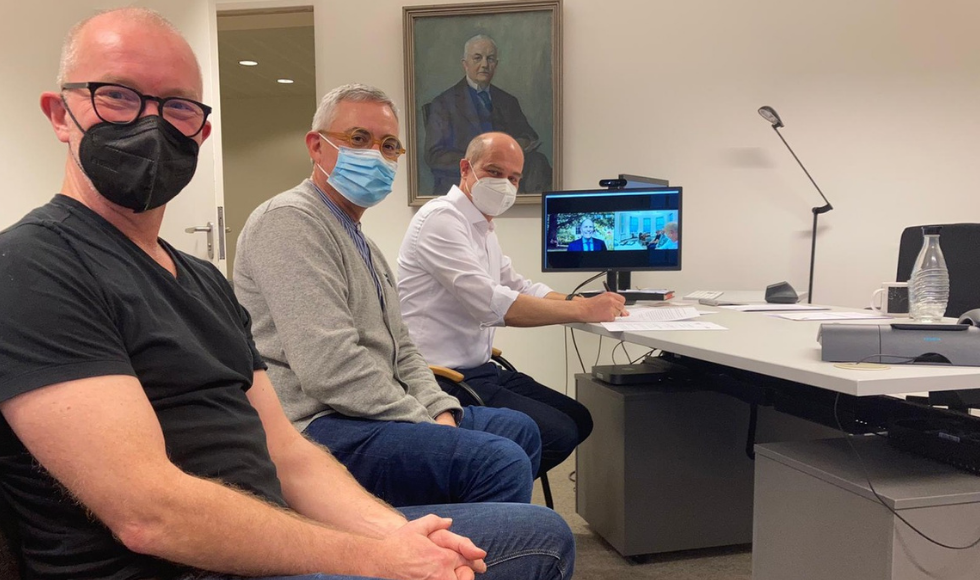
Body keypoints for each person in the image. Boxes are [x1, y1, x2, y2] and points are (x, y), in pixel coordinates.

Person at [0, 10, 574, 580]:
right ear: (61, 114)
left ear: (200, 131)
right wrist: (373, 556)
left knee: (539, 534)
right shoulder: (33, 266)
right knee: (512, 497)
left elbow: (289, 455)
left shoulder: (201, 280)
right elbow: (149, 513)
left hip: (267, 524)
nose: (150, 124)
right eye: (119, 96)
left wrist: (401, 542)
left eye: (176, 105)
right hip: (187, 564)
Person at [234, 83, 543, 509]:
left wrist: (439, 409)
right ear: (316, 147)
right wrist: (425, 423)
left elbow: (403, 348)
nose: (376, 155)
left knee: (519, 428)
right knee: (498, 460)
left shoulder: (362, 241)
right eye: (359, 139)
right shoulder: (290, 222)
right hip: (318, 425)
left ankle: (452, 539)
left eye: (389, 145)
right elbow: (331, 369)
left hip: (369, 411)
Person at [398, 132, 628, 478]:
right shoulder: (440, 220)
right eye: (494, 171)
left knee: (579, 418)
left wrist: (579, 300)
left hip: (480, 368)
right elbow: (492, 305)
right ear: (465, 168)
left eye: (514, 178)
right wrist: (582, 311)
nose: (505, 184)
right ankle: (485, 489)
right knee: (556, 432)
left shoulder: (481, 226)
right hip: (440, 377)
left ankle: (497, 483)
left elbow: (518, 285)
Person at [423, 34, 552, 195]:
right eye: (477, 58)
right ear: (465, 64)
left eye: (490, 59)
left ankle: (538, 211)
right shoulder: (443, 103)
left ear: (496, 65)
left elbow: (529, 135)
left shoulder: (507, 101)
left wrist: (518, 144)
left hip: (505, 174)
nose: (484, 64)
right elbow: (434, 155)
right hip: (465, 180)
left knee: (538, 162)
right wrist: (478, 162)